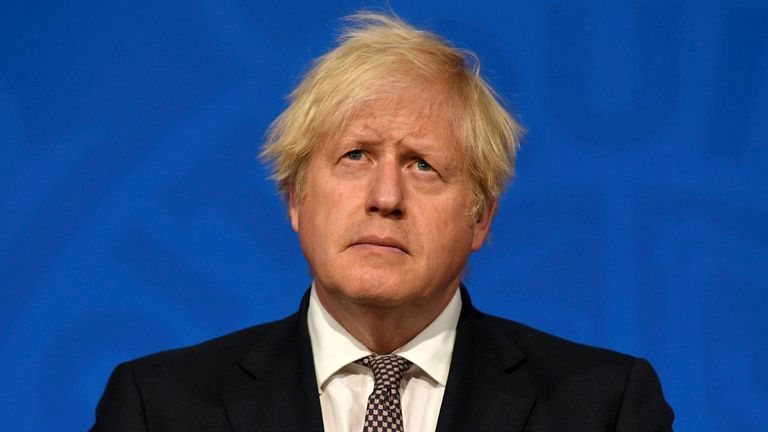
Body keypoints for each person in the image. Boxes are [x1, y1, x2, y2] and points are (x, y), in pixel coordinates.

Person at [91, 12, 674, 432]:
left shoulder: (603, 408)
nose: (386, 197)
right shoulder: (159, 407)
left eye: (423, 165)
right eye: (355, 156)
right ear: (296, 198)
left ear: (481, 218)